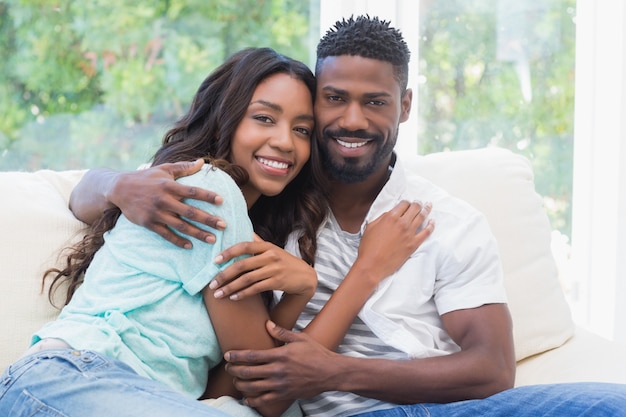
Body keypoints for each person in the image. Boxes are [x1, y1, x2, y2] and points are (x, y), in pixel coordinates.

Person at [65, 15, 626, 417]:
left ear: (405, 105)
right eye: (334, 99)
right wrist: (115, 184)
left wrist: (335, 370)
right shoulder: (266, 204)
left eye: (376, 102)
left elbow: (492, 370)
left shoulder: (446, 221)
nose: (351, 119)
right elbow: (84, 194)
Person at [1, 46, 432, 417]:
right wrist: (355, 274)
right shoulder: (208, 190)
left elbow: (244, 380)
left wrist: (298, 291)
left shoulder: (250, 232)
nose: (286, 142)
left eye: (302, 129)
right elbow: (270, 394)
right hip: (71, 379)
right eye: (264, 118)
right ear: (225, 118)